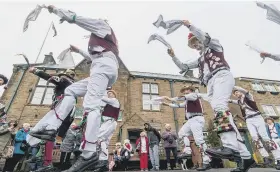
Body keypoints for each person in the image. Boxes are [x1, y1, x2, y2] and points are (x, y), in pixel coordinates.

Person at [33, 5, 119, 171]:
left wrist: (57, 11)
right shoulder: (104, 43)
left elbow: (77, 19)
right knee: (70, 90)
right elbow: (93, 57)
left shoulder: (102, 26)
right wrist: (78, 50)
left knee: (91, 104)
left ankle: (88, 153)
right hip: (100, 67)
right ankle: (51, 128)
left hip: (102, 67)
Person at [167, 20, 254, 172]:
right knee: (219, 112)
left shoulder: (214, 45)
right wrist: (173, 56)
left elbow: (206, 38)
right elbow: (183, 66)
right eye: (192, 44)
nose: (195, 45)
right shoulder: (200, 59)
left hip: (221, 75)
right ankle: (246, 156)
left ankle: (230, 146)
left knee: (220, 107)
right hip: (210, 83)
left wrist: (189, 26)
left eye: (196, 41)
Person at [26, 67, 76, 172]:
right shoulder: (72, 86)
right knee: (49, 135)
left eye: (63, 76)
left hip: (62, 110)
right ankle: (44, 159)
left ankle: (46, 161)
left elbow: (51, 78)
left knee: (47, 132)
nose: (60, 77)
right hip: (65, 112)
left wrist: (36, 71)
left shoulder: (64, 81)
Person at [230, 86, 280, 170]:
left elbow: (245, 91)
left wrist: (233, 85)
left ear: (240, 92)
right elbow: (230, 101)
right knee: (254, 138)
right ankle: (266, 157)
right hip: (249, 120)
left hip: (257, 117)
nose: (237, 93)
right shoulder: (239, 102)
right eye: (235, 93)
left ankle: (278, 159)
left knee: (265, 137)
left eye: (237, 92)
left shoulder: (249, 97)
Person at [163, 86, 210, 171]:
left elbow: (180, 98)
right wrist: (167, 104)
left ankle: (207, 160)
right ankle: (189, 147)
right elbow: (179, 105)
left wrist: (169, 98)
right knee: (181, 133)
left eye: (186, 90)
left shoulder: (194, 95)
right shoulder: (188, 100)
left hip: (197, 119)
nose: (185, 92)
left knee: (199, 140)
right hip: (190, 120)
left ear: (191, 90)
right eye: (184, 91)